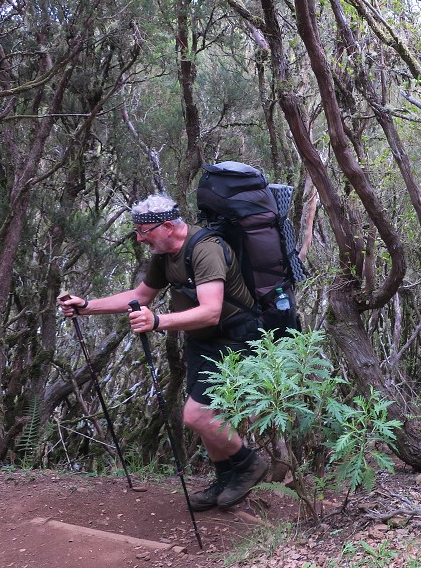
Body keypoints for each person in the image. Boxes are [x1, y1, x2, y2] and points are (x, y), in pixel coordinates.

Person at [58, 193, 268, 511]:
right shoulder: (164, 252)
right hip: (202, 340)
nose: (140, 239)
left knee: (197, 414)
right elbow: (141, 295)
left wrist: (157, 321)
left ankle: (250, 463)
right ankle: (225, 479)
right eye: (138, 232)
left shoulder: (205, 249)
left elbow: (211, 311)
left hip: (235, 338)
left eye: (144, 232)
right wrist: (86, 307)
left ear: (167, 226)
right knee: (207, 415)